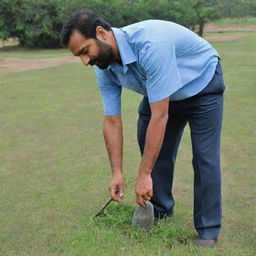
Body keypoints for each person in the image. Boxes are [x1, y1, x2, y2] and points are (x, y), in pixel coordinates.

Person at [60, 8, 225, 247]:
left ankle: (208, 231)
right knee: (148, 139)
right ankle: (160, 210)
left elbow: (160, 115)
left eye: (85, 51)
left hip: (202, 84)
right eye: (80, 56)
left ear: (101, 33)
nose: (86, 61)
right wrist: (117, 172)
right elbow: (112, 120)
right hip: (161, 91)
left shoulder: (150, 44)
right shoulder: (103, 65)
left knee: (204, 158)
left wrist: (143, 175)